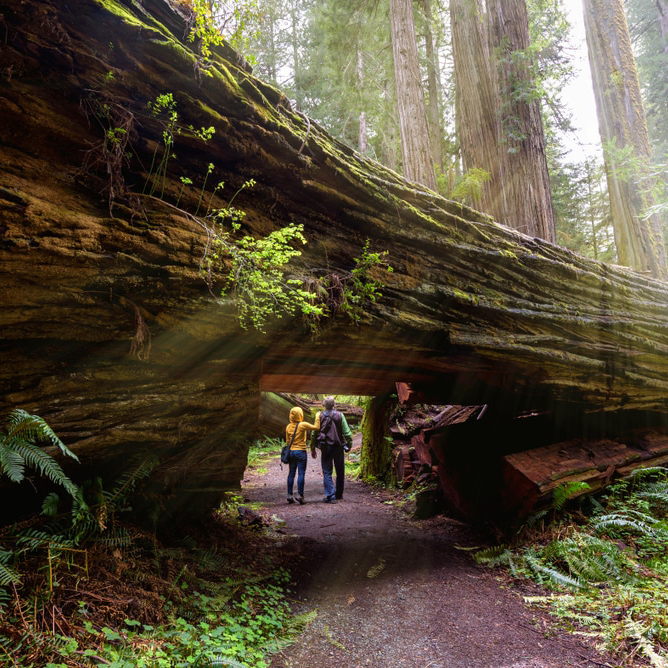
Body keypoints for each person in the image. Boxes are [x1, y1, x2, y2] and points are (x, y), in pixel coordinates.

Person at [311, 396, 353, 503]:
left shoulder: (319, 416)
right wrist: (350, 444)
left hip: (326, 447)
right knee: (340, 471)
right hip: (338, 447)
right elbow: (347, 432)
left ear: (324, 405)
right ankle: (339, 494)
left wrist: (312, 448)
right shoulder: (340, 415)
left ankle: (330, 495)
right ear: (334, 405)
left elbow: (314, 433)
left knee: (327, 471)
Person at [285, 406, 318, 505]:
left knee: (291, 473)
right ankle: (300, 495)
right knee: (301, 474)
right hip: (301, 452)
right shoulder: (303, 425)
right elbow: (316, 427)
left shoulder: (288, 427)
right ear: (300, 415)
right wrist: (317, 416)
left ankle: (289, 495)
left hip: (291, 452)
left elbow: (287, 442)